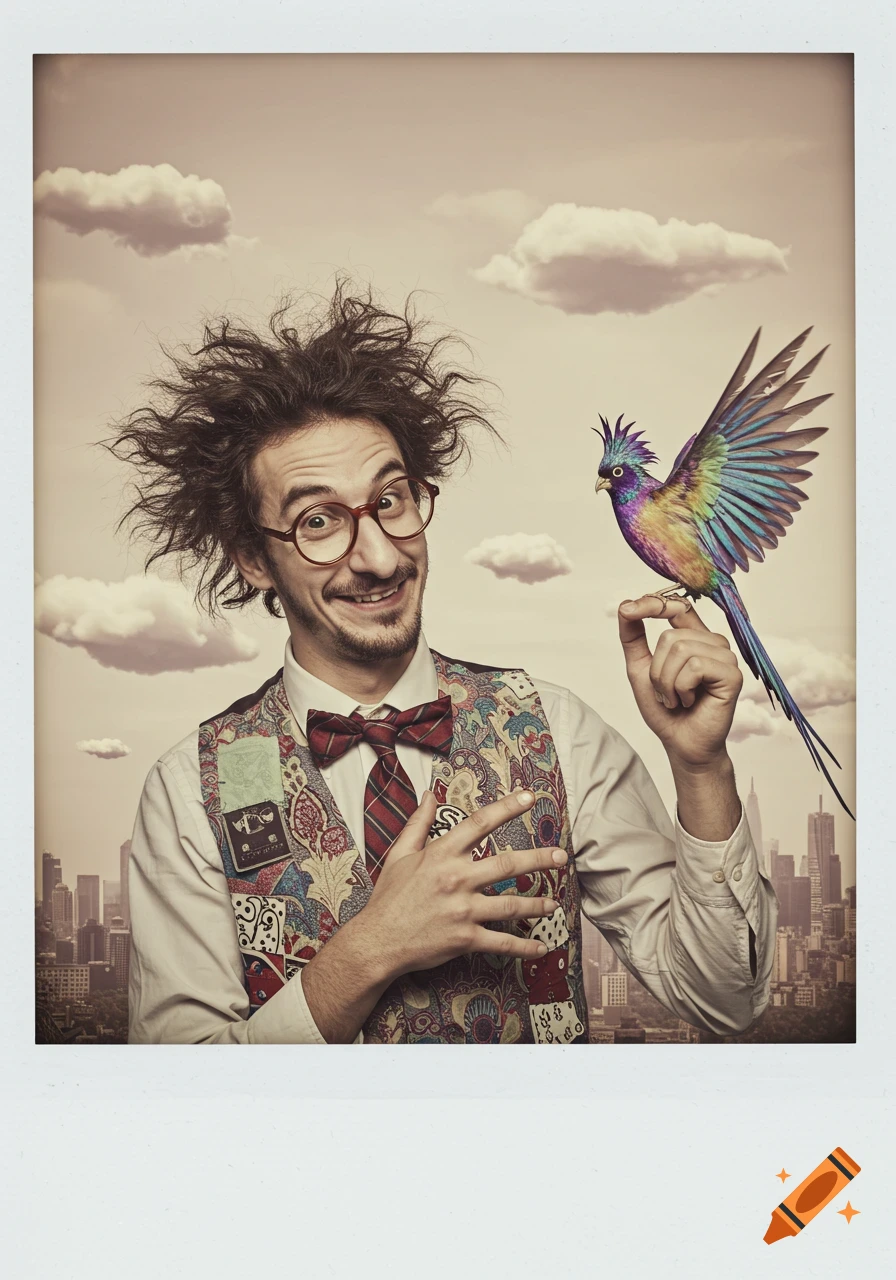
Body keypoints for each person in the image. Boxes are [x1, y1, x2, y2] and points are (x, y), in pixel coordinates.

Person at [111, 279, 776, 1045]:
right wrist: (366, 953)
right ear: (253, 559)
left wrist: (701, 770)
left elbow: (726, 1001)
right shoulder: (187, 790)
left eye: (390, 501)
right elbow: (180, 1104)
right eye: (319, 520)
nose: (377, 554)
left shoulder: (558, 730)